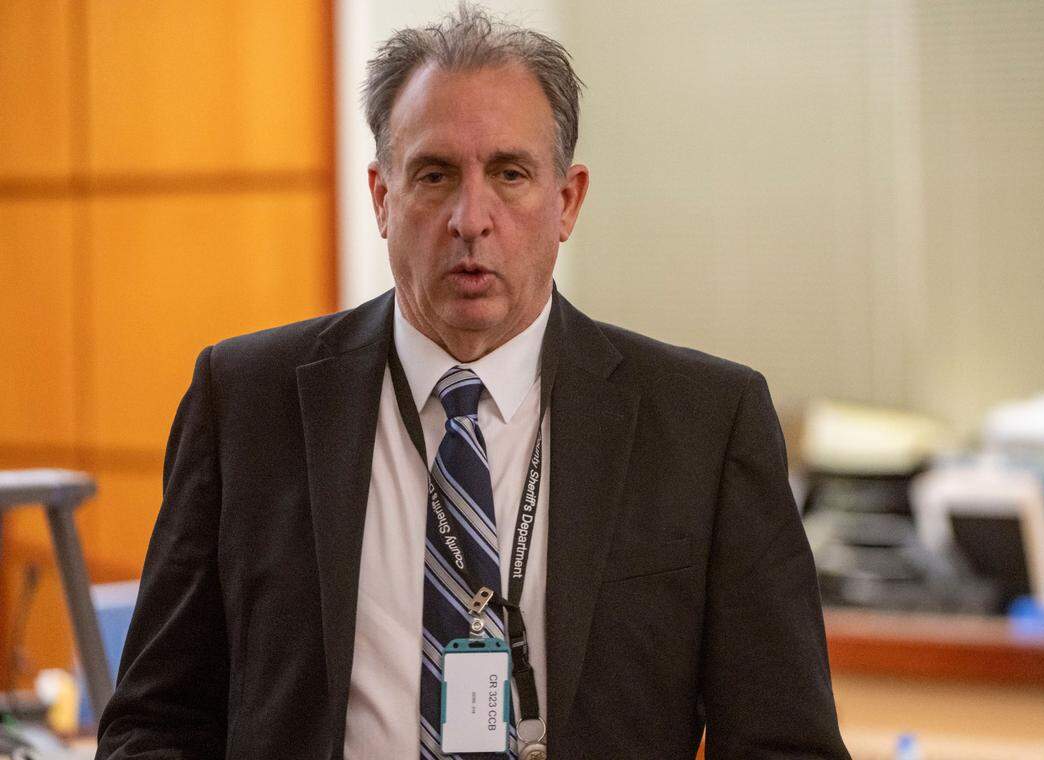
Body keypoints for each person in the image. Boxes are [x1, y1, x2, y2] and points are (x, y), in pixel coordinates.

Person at [96, 5, 849, 759]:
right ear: (383, 199)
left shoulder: (702, 427)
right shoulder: (247, 403)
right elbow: (157, 723)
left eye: (510, 174)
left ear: (567, 201)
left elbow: (785, 743)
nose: (470, 218)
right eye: (434, 174)